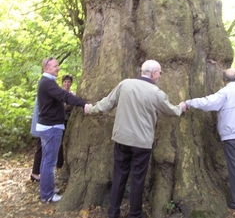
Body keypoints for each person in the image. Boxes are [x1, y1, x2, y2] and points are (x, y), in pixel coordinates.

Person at [85, 60, 186, 218]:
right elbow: (170, 110)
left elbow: (107, 103)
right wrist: (181, 108)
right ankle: (135, 213)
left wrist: (91, 109)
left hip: (122, 139)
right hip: (141, 143)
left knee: (119, 175)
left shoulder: (125, 84)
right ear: (153, 73)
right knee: (138, 178)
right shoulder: (156, 92)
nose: (160, 75)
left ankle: (113, 212)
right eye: (159, 72)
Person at [184, 68, 235, 212]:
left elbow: (210, 103)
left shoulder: (226, 92)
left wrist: (190, 102)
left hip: (233, 133)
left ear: (224, 79)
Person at [36, 57, 89, 203]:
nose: (58, 68)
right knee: (49, 162)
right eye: (55, 66)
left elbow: (57, 101)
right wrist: (83, 103)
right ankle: (47, 195)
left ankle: (47, 189)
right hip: (51, 127)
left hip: (49, 126)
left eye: (57, 65)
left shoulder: (48, 82)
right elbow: (64, 95)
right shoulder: (47, 83)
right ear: (47, 68)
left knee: (47, 161)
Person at [57, 74, 74, 169]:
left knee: (68, 140)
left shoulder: (72, 94)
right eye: (65, 82)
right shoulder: (59, 93)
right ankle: (59, 163)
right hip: (61, 120)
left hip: (69, 120)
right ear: (62, 83)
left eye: (68, 82)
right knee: (60, 141)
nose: (67, 84)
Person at [30, 98, 42, 182]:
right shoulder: (40, 98)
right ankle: (35, 173)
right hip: (40, 128)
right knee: (40, 150)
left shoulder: (41, 96)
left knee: (40, 150)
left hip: (40, 127)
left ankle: (36, 172)